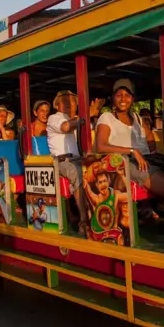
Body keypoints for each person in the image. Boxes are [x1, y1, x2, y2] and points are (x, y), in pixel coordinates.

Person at [95, 79, 164, 198]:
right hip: (125, 161)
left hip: (145, 159)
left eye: (127, 95)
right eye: (119, 95)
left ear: (132, 99)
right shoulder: (107, 117)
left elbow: (149, 137)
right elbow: (101, 146)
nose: (123, 99)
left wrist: (151, 153)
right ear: (113, 98)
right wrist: (132, 151)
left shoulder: (137, 117)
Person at [46, 90, 104, 234]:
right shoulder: (54, 118)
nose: (68, 103)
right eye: (64, 100)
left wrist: (94, 116)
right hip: (61, 161)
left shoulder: (79, 120)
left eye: (72, 101)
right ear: (57, 105)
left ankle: (104, 213)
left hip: (79, 158)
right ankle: (84, 220)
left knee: (103, 167)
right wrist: (86, 115)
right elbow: (65, 126)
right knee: (78, 172)